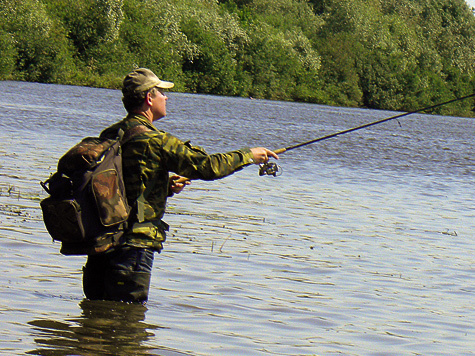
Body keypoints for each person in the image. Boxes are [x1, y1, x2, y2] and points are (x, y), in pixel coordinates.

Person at [82, 68, 278, 303]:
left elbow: (120, 185)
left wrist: (163, 186)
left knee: (96, 320)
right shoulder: (156, 141)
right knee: (128, 324)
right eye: (162, 93)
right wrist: (248, 155)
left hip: (101, 247)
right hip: (133, 248)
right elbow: (207, 167)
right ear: (148, 98)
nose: (167, 98)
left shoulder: (110, 134)